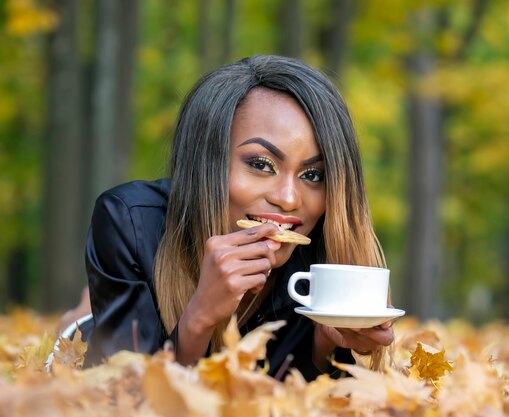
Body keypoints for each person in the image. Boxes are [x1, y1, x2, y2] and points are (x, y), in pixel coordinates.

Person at [83, 55, 394, 380]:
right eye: (261, 164)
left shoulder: (320, 264)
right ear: (205, 164)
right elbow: (120, 399)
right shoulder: (129, 222)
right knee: (78, 324)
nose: (288, 199)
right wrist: (199, 317)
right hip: (105, 328)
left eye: (313, 174)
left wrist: (325, 348)